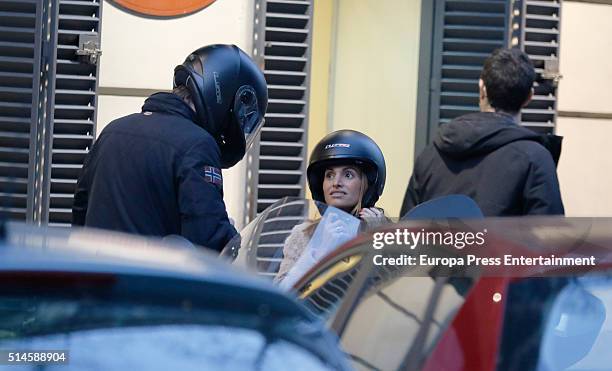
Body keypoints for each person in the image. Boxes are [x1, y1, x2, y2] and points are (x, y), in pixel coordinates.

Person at [73, 44, 268, 252]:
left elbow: (80, 214)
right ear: (225, 94)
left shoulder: (113, 130)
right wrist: (234, 240)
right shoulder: (196, 145)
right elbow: (208, 237)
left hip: (96, 277)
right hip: (150, 281)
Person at [401, 48, 564, 217]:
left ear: (482, 88)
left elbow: (403, 235)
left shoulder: (431, 155)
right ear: (529, 97)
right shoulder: (536, 159)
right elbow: (549, 238)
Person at [275, 130, 387, 283]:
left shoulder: (393, 234)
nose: (336, 183)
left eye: (348, 175)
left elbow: (399, 294)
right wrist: (319, 252)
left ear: (368, 184)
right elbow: (282, 291)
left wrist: (379, 243)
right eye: (330, 175)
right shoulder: (303, 235)